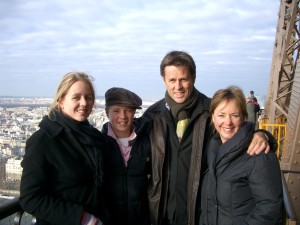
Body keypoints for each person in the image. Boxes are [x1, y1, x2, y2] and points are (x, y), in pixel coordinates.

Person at [142, 50, 274, 225]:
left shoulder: (210, 111)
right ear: (164, 80)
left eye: (183, 79)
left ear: (194, 78)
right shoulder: (152, 116)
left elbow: (237, 132)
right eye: (172, 80)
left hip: (200, 214)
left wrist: (263, 135)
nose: (178, 86)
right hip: (162, 215)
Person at [20, 72, 106, 225]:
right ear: (61, 101)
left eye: (88, 97)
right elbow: (30, 198)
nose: (84, 103)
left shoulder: (94, 137)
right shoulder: (42, 142)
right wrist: (82, 218)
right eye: (76, 97)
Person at [199, 86, 282, 225]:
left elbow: (269, 208)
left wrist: (263, 135)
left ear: (244, 117)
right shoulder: (211, 150)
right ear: (212, 117)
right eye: (221, 115)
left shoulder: (258, 153)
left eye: (234, 115)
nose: (228, 122)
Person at [101, 87, 152, 225]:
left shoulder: (148, 143)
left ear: (134, 113)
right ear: (107, 112)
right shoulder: (98, 145)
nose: (122, 116)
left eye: (128, 110)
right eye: (116, 111)